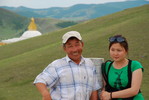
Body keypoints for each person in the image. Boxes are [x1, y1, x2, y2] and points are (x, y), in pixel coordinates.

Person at [33, 31, 100, 100]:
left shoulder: (90, 64)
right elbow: (40, 81)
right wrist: (46, 95)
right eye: (70, 46)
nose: (74, 50)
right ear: (64, 48)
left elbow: (93, 89)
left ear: (82, 44)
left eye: (77, 45)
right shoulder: (57, 65)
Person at [100, 35, 144, 100]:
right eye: (112, 50)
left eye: (119, 50)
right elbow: (104, 88)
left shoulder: (135, 65)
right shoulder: (106, 66)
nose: (115, 53)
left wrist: (110, 95)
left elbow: (134, 90)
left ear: (126, 51)